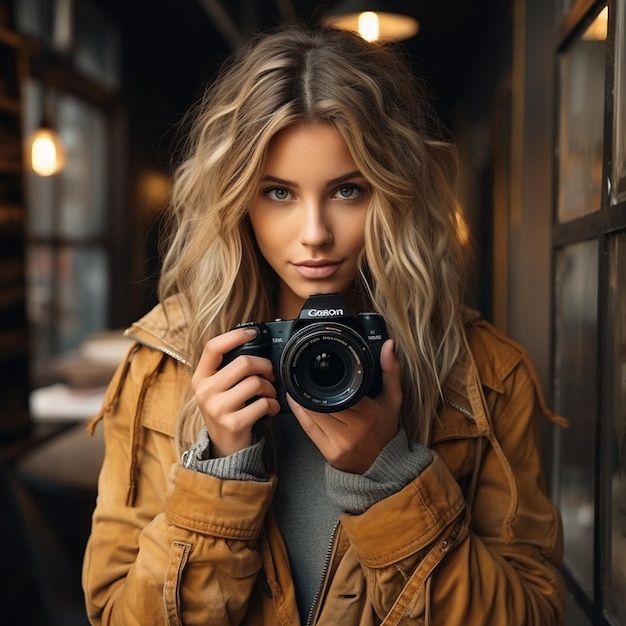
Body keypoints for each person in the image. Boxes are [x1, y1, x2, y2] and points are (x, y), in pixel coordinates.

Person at [82, 24, 568, 626]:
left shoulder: (484, 376)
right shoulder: (164, 368)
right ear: (237, 199)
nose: (315, 233)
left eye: (347, 189)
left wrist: (387, 474)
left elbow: (535, 614)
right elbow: (116, 616)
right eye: (279, 193)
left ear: (393, 194)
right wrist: (220, 474)